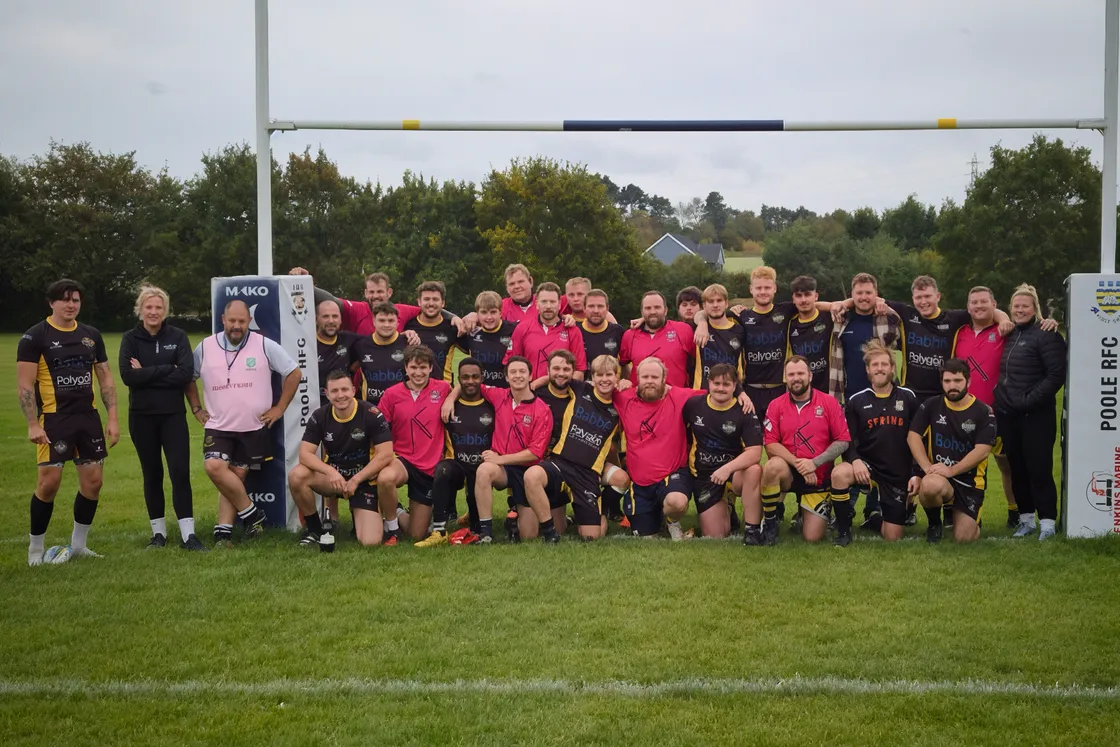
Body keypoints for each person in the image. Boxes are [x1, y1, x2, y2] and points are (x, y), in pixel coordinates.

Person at [18, 279, 120, 566]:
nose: (71, 305)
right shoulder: (34, 337)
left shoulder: (91, 335)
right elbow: (25, 387)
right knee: (49, 484)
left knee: (94, 482)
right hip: (53, 420)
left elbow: (105, 378)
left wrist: (112, 418)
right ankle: (35, 551)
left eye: (75, 300)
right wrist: (32, 424)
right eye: (65, 300)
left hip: (88, 419)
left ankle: (78, 546)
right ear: (52, 303)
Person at [185, 300, 301, 547]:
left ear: (249, 322)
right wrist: (196, 408)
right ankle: (252, 513)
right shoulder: (205, 347)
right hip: (218, 425)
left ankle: (223, 534)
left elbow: (294, 373)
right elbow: (189, 377)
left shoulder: (264, 345)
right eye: (232, 321)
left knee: (236, 477)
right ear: (223, 320)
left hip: (253, 427)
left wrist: (279, 408)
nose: (236, 326)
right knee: (214, 467)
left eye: (242, 321)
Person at [615, 358, 752, 540]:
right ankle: (654, 515)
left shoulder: (681, 397)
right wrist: (617, 383)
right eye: (645, 376)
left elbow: (718, 390)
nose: (650, 381)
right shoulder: (623, 398)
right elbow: (596, 389)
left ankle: (673, 520)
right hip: (640, 482)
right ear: (637, 378)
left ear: (664, 378)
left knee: (676, 502)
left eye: (655, 377)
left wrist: (741, 393)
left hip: (672, 475)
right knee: (647, 537)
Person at [119, 285, 202, 550]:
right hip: (142, 417)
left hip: (173, 417)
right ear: (140, 309)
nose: (154, 312)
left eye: (158, 307)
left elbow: (186, 373)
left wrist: (149, 373)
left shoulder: (177, 336)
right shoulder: (130, 338)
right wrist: (168, 370)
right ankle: (159, 535)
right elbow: (128, 376)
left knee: (179, 472)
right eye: (149, 307)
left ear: (165, 310)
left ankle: (189, 535)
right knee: (152, 473)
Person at [524, 355, 631, 541]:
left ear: (616, 377)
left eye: (609, 375)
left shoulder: (620, 402)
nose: (604, 379)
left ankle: (601, 511)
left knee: (592, 537)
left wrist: (627, 384)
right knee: (532, 475)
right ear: (592, 377)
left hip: (588, 473)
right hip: (561, 463)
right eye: (599, 375)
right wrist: (535, 382)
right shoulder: (581, 389)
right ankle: (550, 532)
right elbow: (559, 376)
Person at [994, 284, 1067, 541]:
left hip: (1036, 416)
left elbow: (1056, 375)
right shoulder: (1010, 334)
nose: (1020, 310)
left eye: (1025, 306)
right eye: (1016, 306)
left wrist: (1029, 400)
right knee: (1017, 469)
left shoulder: (1046, 334)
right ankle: (1026, 520)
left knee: (1039, 468)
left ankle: (1047, 521)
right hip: (1009, 416)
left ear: (1035, 308)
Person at [289, 370, 395, 546]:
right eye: (335, 391)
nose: (340, 395)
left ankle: (367, 512)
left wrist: (356, 479)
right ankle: (315, 529)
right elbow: (304, 455)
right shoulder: (319, 416)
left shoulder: (371, 413)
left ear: (353, 390)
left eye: (345, 390)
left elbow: (386, 454)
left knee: (370, 542)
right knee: (296, 475)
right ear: (327, 393)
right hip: (334, 479)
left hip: (363, 481)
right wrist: (330, 471)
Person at [827, 272, 900, 526]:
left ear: (876, 293)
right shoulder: (841, 317)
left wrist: (886, 304)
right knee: (850, 450)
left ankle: (875, 509)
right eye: (859, 293)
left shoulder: (886, 316)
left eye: (869, 292)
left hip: (884, 396)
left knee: (882, 450)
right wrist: (842, 304)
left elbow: (904, 322)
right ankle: (845, 509)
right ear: (852, 294)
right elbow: (810, 305)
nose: (864, 297)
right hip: (848, 398)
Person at [456, 356, 555, 541]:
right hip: (502, 470)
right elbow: (468, 384)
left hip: (527, 472)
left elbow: (535, 452)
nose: (518, 376)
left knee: (529, 536)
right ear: (507, 377)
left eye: (522, 372)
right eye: (513, 372)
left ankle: (514, 518)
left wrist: (501, 458)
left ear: (531, 376)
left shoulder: (542, 410)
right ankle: (486, 533)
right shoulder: (499, 396)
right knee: (484, 470)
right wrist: (449, 399)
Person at [760, 356, 855, 546]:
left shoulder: (829, 402)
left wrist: (814, 462)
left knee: (812, 537)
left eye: (801, 373)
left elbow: (843, 441)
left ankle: (806, 514)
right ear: (785, 378)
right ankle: (770, 524)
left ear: (810, 376)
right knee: (771, 466)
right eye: (791, 374)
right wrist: (799, 463)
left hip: (818, 475)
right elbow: (770, 443)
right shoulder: (775, 405)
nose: (796, 378)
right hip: (790, 472)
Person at [908, 359, 997, 543]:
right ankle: (934, 524)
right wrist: (927, 468)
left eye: (957, 381)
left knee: (964, 539)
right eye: (947, 381)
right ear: (942, 382)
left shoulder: (983, 411)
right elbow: (913, 436)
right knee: (930, 485)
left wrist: (952, 470)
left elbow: (983, 450)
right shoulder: (931, 405)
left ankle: (961, 514)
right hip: (939, 475)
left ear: (968, 381)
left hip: (969, 481)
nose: (952, 386)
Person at [952, 286, 1020, 527]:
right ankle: (966, 512)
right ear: (967, 307)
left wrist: (1003, 318)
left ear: (994, 304)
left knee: (1006, 464)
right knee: (965, 465)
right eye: (974, 303)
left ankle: (1015, 510)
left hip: (998, 410)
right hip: (964, 412)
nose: (979, 306)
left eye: (984, 302)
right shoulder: (959, 332)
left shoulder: (1005, 330)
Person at [844, 340, 922, 541]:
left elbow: (919, 438)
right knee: (840, 473)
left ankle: (876, 519)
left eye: (884, 364)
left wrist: (916, 473)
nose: (880, 369)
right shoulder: (856, 401)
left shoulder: (908, 397)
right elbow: (848, 440)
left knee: (893, 537)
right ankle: (842, 524)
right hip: (866, 469)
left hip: (897, 473)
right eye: (875, 365)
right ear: (868, 370)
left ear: (892, 368)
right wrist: (855, 460)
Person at [375, 345, 452, 543]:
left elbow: (459, 387)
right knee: (385, 478)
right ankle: (391, 528)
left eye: (423, 367)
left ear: (431, 368)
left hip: (429, 466)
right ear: (406, 368)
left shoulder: (442, 388)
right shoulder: (392, 394)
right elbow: (378, 427)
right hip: (402, 459)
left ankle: (398, 510)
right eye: (413, 367)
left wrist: (451, 398)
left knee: (417, 533)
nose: (418, 372)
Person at [417, 358, 496, 546]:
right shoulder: (447, 406)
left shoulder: (492, 405)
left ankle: (477, 522)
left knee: (476, 527)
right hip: (457, 466)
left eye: (475, 377)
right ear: (458, 379)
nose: (470, 381)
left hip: (483, 470)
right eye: (465, 377)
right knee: (443, 470)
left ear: (482, 377)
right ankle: (439, 530)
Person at [682, 363, 763, 542]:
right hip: (704, 476)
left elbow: (755, 452)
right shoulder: (694, 404)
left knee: (754, 470)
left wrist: (727, 469)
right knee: (715, 536)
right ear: (709, 383)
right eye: (716, 383)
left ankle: (752, 530)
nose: (720, 388)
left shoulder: (745, 409)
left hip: (733, 474)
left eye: (726, 384)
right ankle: (728, 507)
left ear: (735, 386)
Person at [504, 282, 586, 379]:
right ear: (537, 304)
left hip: (561, 392)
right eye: (544, 302)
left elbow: (579, 372)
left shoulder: (572, 330)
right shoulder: (522, 328)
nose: (548, 306)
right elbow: (511, 365)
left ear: (559, 304)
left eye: (552, 302)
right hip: (530, 391)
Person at [620, 291, 695, 388]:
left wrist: (702, 323)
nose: (652, 312)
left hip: (676, 400)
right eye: (648, 308)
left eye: (657, 307)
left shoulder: (683, 330)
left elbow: (697, 362)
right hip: (640, 400)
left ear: (665, 310)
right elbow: (622, 365)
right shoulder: (629, 335)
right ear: (642, 312)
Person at [351, 302, 410, 406]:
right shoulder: (361, 346)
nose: (386, 325)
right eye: (382, 320)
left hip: (401, 407)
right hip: (371, 409)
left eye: (391, 321)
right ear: (374, 321)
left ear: (397, 322)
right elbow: (350, 370)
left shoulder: (408, 344)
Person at [403, 280, 461, 383]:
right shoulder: (408, 325)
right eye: (426, 299)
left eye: (435, 299)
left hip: (443, 390)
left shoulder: (452, 327)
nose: (431, 303)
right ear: (419, 302)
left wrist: (473, 316)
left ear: (442, 303)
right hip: (413, 390)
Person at [458, 290, 516, 388]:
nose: (489, 317)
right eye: (484, 312)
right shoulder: (470, 331)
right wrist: (457, 318)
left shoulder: (514, 329)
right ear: (477, 314)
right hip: (479, 393)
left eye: (493, 312)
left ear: (501, 312)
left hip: (506, 393)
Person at [691, 283, 743, 390]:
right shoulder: (697, 328)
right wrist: (702, 323)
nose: (715, 305)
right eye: (710, 301)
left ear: (726, 303)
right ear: (704, 306)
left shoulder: (739, 329)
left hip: (730, 393)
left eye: (719, 300)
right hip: (702, 393)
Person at [785, 275, 833, 392]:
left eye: (807, 294)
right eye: (799, 296)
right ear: (793, 298)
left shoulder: (830, 317)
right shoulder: (789, 323)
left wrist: (833, 305)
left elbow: (854, 303)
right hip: (801, 389)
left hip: (828, 388)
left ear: (816, 296)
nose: (803, 300)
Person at [315, 298, 359, 407]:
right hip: (314, 407)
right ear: (316, 319)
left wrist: (406, 334)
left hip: (343, 406)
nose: (331, 321)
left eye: (335, 316)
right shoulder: (306, 344)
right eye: (325, 316)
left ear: (340, 319)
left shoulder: (349, 339)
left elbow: (377, 342)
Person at [578, 289, 625, 379]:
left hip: (611, 389)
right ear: (584, 308)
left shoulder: (618, 332)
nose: (596, 310)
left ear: (607, 308)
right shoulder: (576, 332)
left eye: (600, 306)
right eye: (591, 306)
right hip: (584, 390)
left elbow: (627, 365)